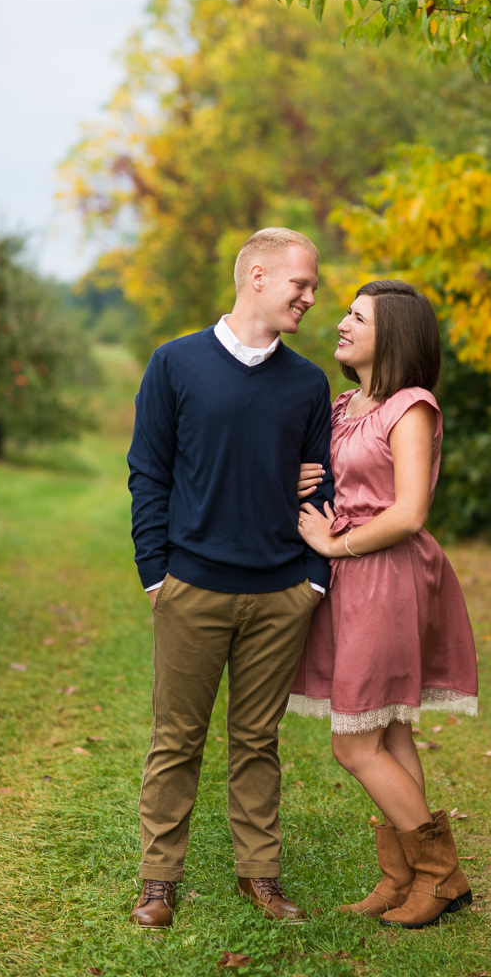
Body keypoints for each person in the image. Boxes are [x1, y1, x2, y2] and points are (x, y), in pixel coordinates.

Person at [127, 228, 334, 929]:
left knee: (257, 742)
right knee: (176, 740)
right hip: (192, 587)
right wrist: (155, 572)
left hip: (280, 594)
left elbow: (320, 486)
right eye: (300, 284)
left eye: (312, 287)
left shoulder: (308, 381)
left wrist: (311, 582)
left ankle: (260, 878)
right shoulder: (175, 364)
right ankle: (158, 882)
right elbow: (148, 472)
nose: (310, 298)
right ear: (255, 277)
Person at [291, 280, 478, 930]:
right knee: (390, 728)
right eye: (344, 310)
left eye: (356, 316)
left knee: (355, 744)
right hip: (350, 581)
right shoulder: (344, 405)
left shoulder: (411, 407)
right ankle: (400, 876)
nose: (339, 321)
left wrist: (332, 543)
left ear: (392, 334)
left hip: (385, 576)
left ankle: (441, 875)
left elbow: (408, 511)